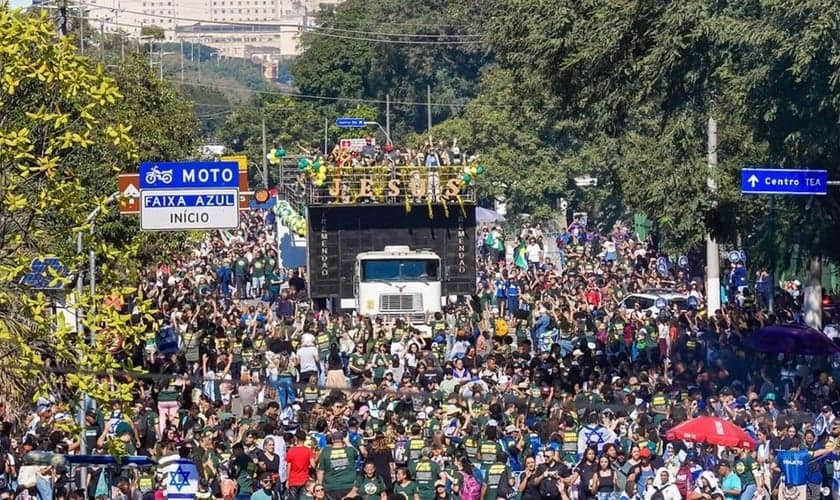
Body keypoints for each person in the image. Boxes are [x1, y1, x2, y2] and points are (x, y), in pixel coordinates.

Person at [317, 431, 359, 500]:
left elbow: (320, 471)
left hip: (331, 487)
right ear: (342, 440)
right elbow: (357, 453)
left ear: (332, 440)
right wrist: (347, 442)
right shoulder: (350, 450)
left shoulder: (325, 451)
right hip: (348, 486)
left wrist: (320, 485)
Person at [287, 430, 316, 500]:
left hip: (293, 480)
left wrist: (288, 480)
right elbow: (313, 465)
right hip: (304, 480)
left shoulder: (291, 450)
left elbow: (289, 467)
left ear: (296, 438)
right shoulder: (308, 451)